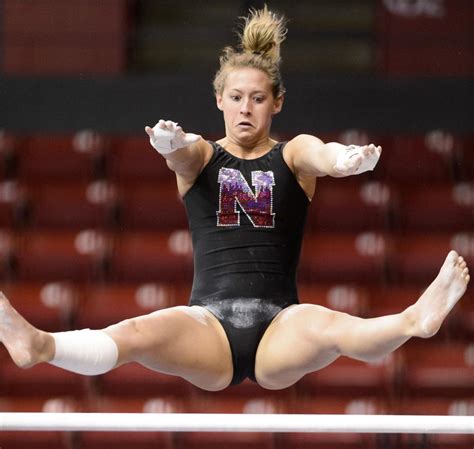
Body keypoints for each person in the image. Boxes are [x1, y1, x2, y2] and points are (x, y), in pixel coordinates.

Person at [0, 6, 470, 392]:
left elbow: (321, 154)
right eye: (237, 97)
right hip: (208, 326)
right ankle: (39, 346)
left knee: (329, 326)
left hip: (282, 327)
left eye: (259, 98)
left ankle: (413, 321)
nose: (246, 108)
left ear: (277, 102)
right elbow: (185, 154)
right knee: (137, 332)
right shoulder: (203, 153)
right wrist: (171, 144)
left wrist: (346, 159)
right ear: (219, 100)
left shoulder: (293, 153)